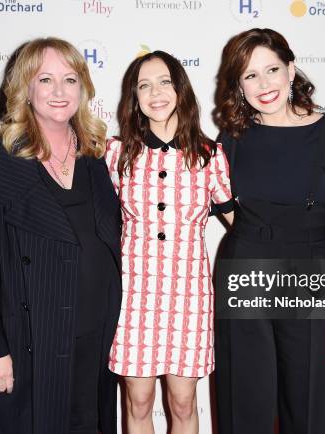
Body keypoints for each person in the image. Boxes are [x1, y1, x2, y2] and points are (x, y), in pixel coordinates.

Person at [212, 28, 325, 434]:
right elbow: (224, 206)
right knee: (242, 412)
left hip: (314, 285)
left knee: (309, 416)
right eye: (250, 76)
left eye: (271, 69)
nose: (263, 84)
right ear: (238, 85)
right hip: (245, 278)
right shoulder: (233, 138)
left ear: (290, 70)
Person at [0, 37, 121, 434]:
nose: (60, 91)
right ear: (25, 89)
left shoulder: (97, 157)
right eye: (45, 79)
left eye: (69, 79)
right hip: (29, 340)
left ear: (83, 88)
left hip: (97, 340)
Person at [105, 51, 234, 434]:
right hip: (133, 295)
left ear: (180, 88)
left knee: (182, 402)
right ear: (134, 97)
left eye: (164, 82)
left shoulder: (209, 155)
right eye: (144, 85)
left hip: (189, 297)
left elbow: (237, 221)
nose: (155, 93)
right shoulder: (116, 153)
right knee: (138, 400)